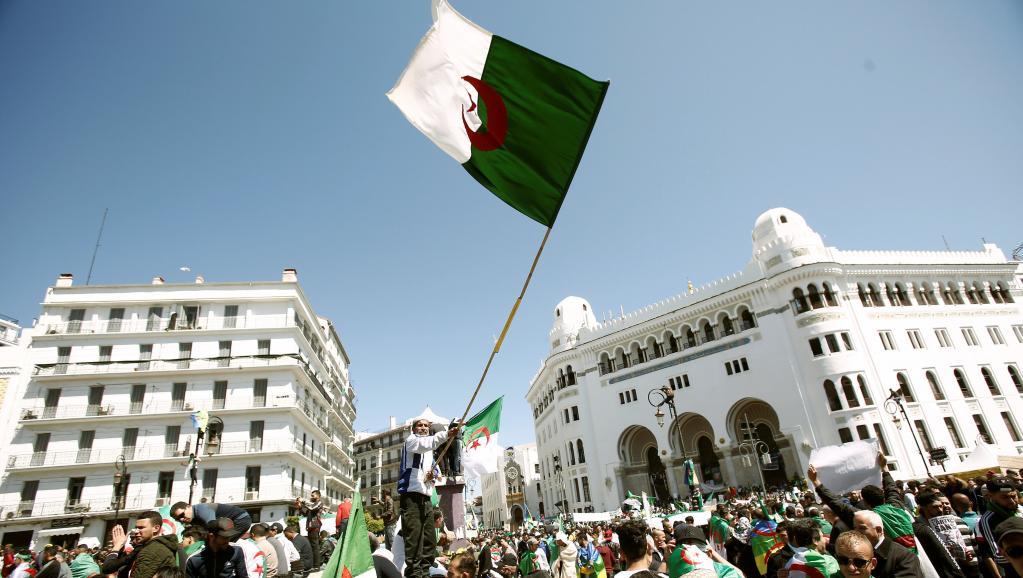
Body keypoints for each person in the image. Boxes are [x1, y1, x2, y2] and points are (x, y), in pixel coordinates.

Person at [398, 417, 459, 578]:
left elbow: (434, 469)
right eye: (420, 425)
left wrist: (433, 475)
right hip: (410, 496)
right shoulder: (411, 441)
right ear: (414, 429)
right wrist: (447, 434)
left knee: (429, 538)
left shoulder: (429, 451)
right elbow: (426, 444)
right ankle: (414, 574)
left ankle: (424, 572)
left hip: (425, 497)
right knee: (414, 540)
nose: (423, 428)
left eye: (426, 426)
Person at [851, 510, 919, 578]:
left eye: (862, 528)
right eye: (854, 528)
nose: (856, 533)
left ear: (878, 530)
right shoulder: (854, 554)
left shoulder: (905, 557)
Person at [976, 477, 1020, 578]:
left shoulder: (1019, 510)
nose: (1012, 501)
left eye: (1014, 496)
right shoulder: (987, 520)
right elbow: (998, 556)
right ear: (990, 496)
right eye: (1005, 497)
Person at [112, 511, 179, 578]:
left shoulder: (152, 550)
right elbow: (110, 568)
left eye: (141, 528)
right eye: (136, 528)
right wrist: (118, 547)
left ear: (156, 528)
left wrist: (117, 547)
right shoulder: (148, 547)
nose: (136, 531)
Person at [170, 503, 252, 537]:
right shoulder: (193, 519)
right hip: (237, 521)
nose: (181, 519)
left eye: (181, 515)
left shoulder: (201, 510)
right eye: (178, 519)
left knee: (221, 543)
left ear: (188, 506)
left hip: (241, 519)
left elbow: (212, 528)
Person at [296, 490, 323, 570]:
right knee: (312, 546)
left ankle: (316, 566)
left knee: (315, 546)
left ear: (318, 496)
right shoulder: (312, 504)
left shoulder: (319, 503)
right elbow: (305, 513)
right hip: (310, 527)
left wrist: (303, 501)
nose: (311, 497)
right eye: (311, 495)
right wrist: (300, 506)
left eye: (313, 495)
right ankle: (313, 565)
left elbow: (312, 508)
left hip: (315, 526)